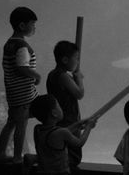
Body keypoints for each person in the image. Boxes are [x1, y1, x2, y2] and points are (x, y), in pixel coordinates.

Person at [0, 7, 41, 164]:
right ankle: (17, 157)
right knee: (21, 127)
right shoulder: (22, 46)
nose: (34, 27)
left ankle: (0, 153)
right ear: (22, 26)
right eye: (32, 24)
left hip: (13, 93)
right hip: (23, 95)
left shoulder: (9, 44)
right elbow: (22, 67)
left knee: (11, 124)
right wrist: (36, 75)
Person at [30, 94, 96, 174]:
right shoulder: (61, 133)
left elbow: (60, 134)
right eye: (58, 106)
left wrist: (77, 124)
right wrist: (88, 127)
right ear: (54, 113)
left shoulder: (38, 129)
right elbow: (79, 143)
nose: (61, 108)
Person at [47, 40, 84, 170]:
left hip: (57, 120)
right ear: (65, 60)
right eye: (76, 58)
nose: (77, 62)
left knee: (59, 151)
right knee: (72, 155)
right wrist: (79, 79)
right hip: (69, 120)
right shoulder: (63, 76)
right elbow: (79, 94)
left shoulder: (51, 75)